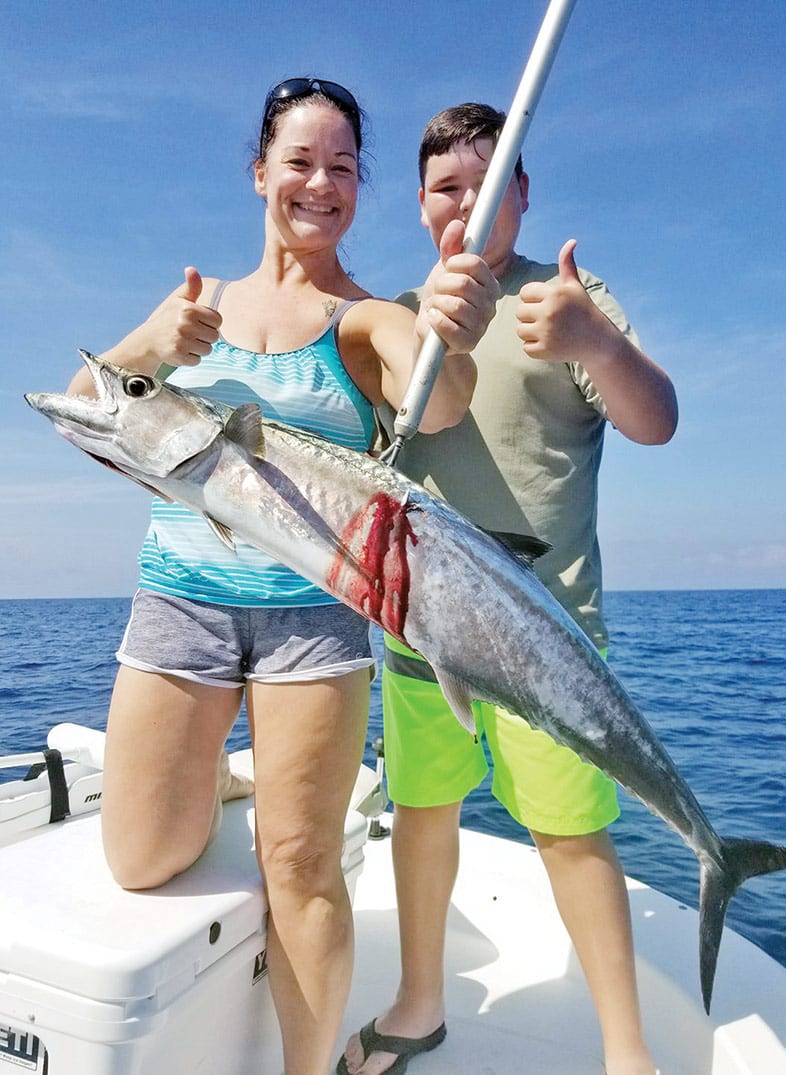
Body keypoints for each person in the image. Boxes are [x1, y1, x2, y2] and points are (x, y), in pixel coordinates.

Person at [67, 81, 498, 1075]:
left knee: (298, 863)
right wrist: (149, 352)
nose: (319, 183)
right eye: (298, 161)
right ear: (259, 171)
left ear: (359, 188)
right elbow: (91, 417)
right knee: (140, 857)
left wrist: (449, 334)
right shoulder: (195, 306)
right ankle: (222, 777)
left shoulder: (363, 317)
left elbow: (438, 405)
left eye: (343, 167)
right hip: (179, 601)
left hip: (312, 615)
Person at [340, 103, 678, 1075]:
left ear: (522, 196)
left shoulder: (564, 301)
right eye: (447, 188)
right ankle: (416, 1000)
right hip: (416, 638)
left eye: (488, 185)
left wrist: (597, 345)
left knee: (570, 832)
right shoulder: (395, 319)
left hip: (548, 639)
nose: (466, 203)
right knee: (421, 814)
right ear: (418, 206)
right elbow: (372, 461)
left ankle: (625, 1050)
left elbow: (653, 421)